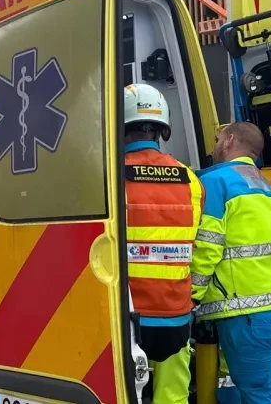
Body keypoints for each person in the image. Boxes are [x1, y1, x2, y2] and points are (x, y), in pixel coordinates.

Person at [190, 122, 271, 404]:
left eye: (217, 138)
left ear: (229, 140)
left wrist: (189, 297)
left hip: (250, 312)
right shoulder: (266, 186)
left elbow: (207, 247)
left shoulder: (215, 182)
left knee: (259, 393)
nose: (214, 145)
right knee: (241, 382)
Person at [121, 84, 204, 404]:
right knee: (172, 395)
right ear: (162, 130)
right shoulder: (191, 181)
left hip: (126, 317)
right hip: (175, 317)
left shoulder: (110, 178)